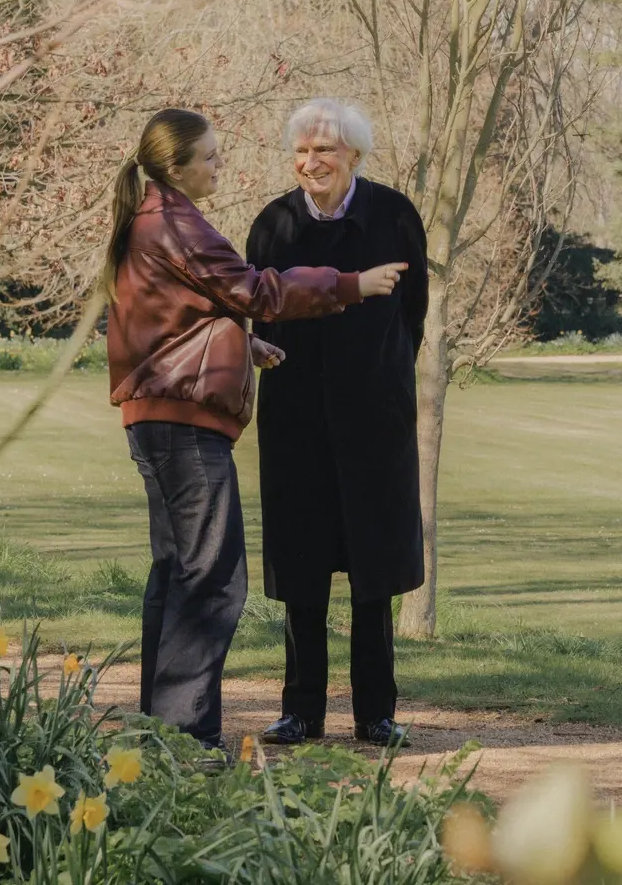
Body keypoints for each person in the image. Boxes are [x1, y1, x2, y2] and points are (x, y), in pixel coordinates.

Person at [104, 107, 406, 754]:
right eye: (210, 157)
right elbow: (256, 291)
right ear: (176, 167)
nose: (220, 166)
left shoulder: (151, 219)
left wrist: (240, 347)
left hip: (158, 416)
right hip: (184, 425)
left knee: (177, 571)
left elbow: (180, 315)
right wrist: (352, 284)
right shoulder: (174, 222)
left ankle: (164, 733)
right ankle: (188, 739)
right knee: (212, 582)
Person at [246, 98, 429, 748]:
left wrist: (380, 380)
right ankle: (301, 711)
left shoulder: (395, 215)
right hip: (295, 420)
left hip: (375, 421)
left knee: (374, 571)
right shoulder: (272, 224)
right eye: (301, 150)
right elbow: (259, 313)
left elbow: (413, 315)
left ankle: (376, 714)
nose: (310, 161)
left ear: (354, 153)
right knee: (302, 570)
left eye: (323, 150)